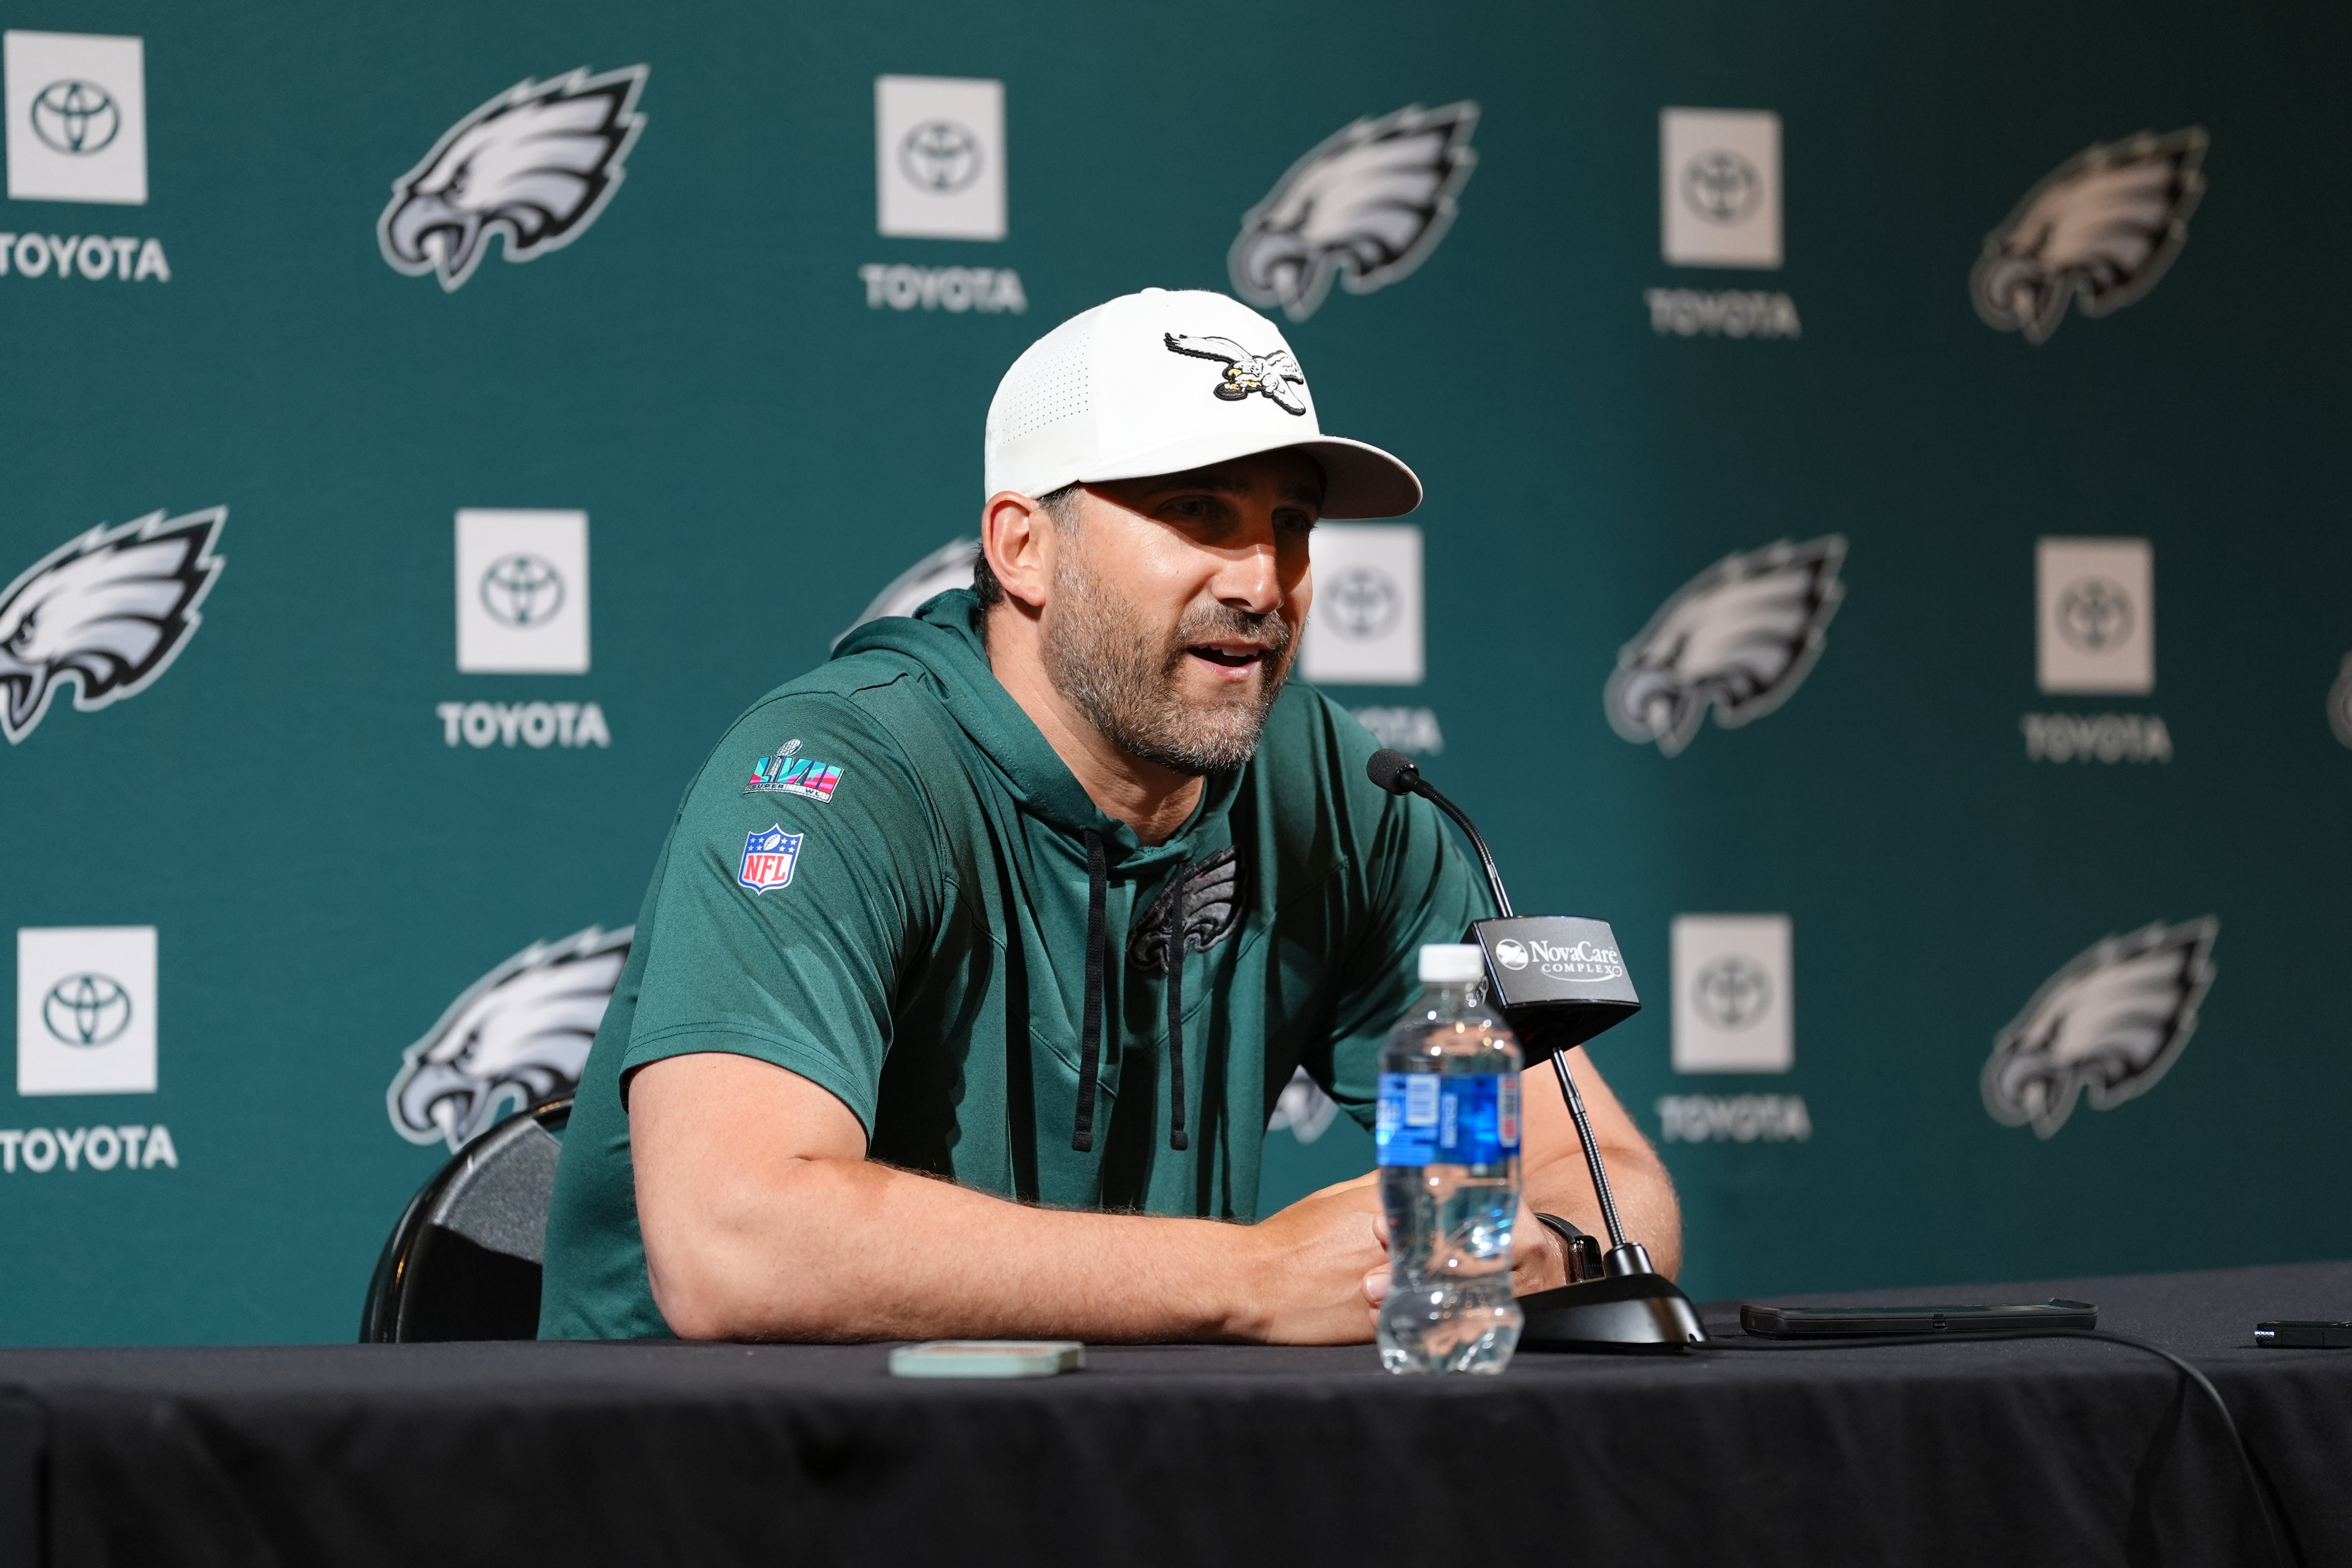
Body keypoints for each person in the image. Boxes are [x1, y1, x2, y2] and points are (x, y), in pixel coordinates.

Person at [538, 287, 1679, 1342]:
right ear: (1024, 548)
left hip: (1099, 1466)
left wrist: (1544, 1256)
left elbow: (1603, 1173)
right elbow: (736, 1245)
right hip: (736, 1488)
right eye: (1198, 512)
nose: (1259, 581)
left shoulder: (1339, 792)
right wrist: (1252, 1277)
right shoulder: (841, 774)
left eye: (1291, 524)